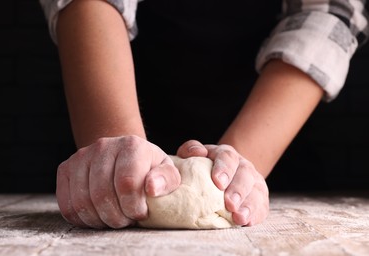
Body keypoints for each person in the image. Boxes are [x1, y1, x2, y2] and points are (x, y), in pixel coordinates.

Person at [39, 0, 369, 229]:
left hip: (271, 130)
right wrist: (115, 149)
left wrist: (231, 180)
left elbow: (330, 12)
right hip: (110, 105)